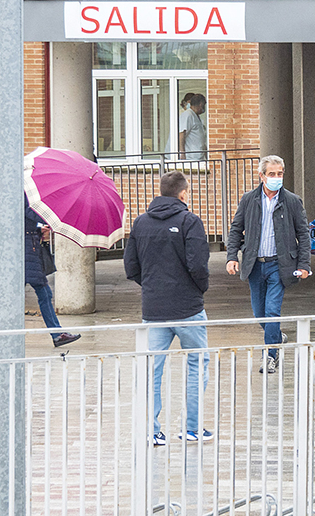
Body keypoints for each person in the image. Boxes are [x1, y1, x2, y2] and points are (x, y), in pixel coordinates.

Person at [124, 171, 212, 446]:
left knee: (152, 369)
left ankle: (152, 431)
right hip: (188, 308)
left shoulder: (141, 223)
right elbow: (198, 265)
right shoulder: (190, 221)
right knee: (197, 364)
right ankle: (192, 429)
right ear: (183, 193)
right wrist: (199, 288)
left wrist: (151, 285)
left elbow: (131, 267)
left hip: (154, 310)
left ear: (161, 192)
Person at [226, 155, 311, 374]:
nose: (276, 178)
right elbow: (236, 229)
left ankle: (270, 357)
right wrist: (232, 257)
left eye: (279, 174)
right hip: (255, 264)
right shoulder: (249, 199)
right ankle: (276, 335)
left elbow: (303, 233)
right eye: (271, 174)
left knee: (272, 312)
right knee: (259, 313)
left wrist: (304, 265)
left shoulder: (292, 201)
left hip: (279, 264)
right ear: (261, 176)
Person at [0, 194, 81, 348]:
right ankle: (57, 334)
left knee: (12, 295)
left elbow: (25, 220)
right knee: (43, 293)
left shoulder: (22, 190)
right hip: (25, 253)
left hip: (24, 251)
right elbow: (29, 213)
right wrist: (50, 217)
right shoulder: (22, 191)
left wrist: (38, 227)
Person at [178, 93, 208, 160]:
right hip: (191, 157)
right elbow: (182, 134)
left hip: (199, 156)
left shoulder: (196, 116)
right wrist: (182, 153)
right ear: (201, 104)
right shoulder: (188, 115)